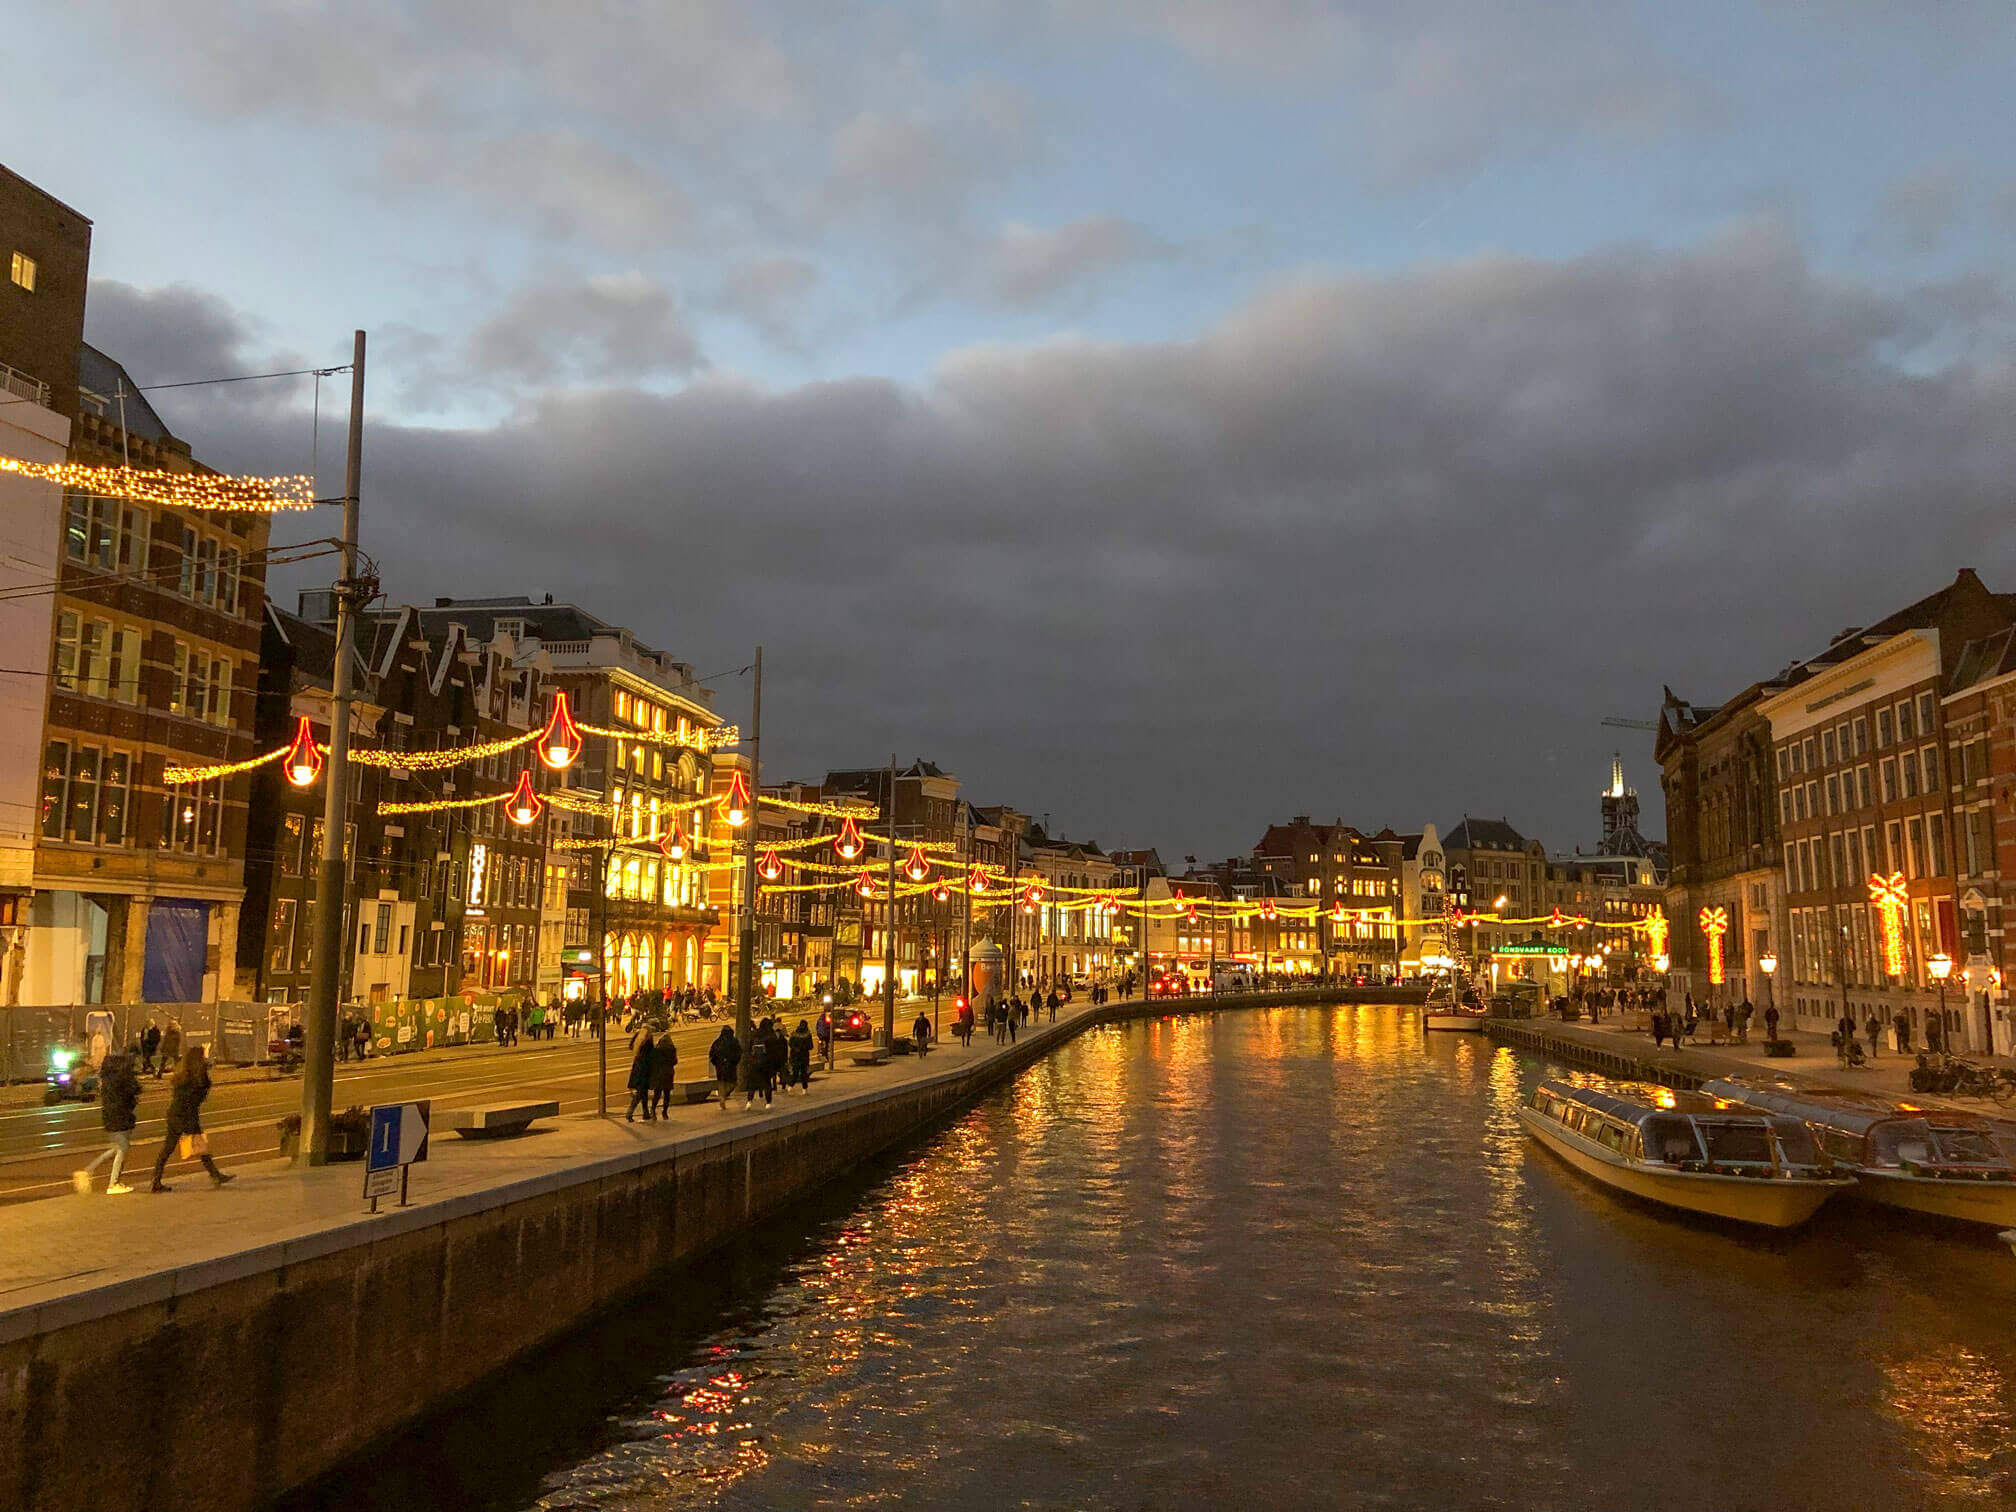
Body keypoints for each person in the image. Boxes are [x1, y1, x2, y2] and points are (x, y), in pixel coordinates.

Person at [151, 1045, 232, 1192]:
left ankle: (156, 1181)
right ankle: (215, 1175)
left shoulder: (182, 1075)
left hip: (176, 1114)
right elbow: (203, 1092)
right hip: (188, 1116)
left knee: (168, 1149)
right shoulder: (198, 1077)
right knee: (199, 1147)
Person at [75, 1042, 142, 1194]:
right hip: (121, 1117)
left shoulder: (108, 1078)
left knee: (117, 1148)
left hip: (112, 1117)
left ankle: (88, 1171)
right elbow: (133, 1092)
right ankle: (113, 1184)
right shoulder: (123, 1078)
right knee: (122, 1149)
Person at [709, 1025, 741, 1112]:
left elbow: (712, 1054)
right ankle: (724, 1096)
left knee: (721, 1084)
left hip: (720, 1066)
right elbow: (738, 1053)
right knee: (732, 1083)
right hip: (730, 1066)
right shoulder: (734, 1041)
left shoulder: (717, 1042)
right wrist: (734, 1062)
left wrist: (716, 1063)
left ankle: (722, 1098)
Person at [648, 1030, 679, 1118]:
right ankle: (665, 1112)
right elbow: (675, 1061)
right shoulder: (672, 1049)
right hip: (668, 1074)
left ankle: (653, 1110)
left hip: (659, 1074)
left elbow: (652, 1061)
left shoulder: (657, 1050)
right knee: (667, 1094)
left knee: (657, 1094)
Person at [626, 1034, 656, 1122]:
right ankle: (629, 1113)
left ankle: (645, 1113)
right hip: (643, 1075)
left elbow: (631, 1046)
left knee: (644, 1094)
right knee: (640, 1094)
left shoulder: (639, 1050)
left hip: (638, 1074)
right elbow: (650, 1060)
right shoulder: (647, 1050)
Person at [744, 1020, 773, 1109]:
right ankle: (768, 1103)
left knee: (752, 1084)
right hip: (765, 1064)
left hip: (754, 1064)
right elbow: (772, 1053)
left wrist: (749, 1061)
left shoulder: (754, 1035)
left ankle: (749, 1101)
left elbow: (747, 1050)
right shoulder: (769, 1037)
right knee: (767, 1083)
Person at [788, 1019, 814, 1093]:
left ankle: (790, 1086)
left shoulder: (794, 1033)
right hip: (804, 1056)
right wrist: (804, 1048)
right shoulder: (808, 1034)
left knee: (795, 1071)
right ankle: (804, 1089)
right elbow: (811, 1046)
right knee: (804, 1073)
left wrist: (796, 1049)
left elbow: (790, 1043)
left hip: (795, 1056)